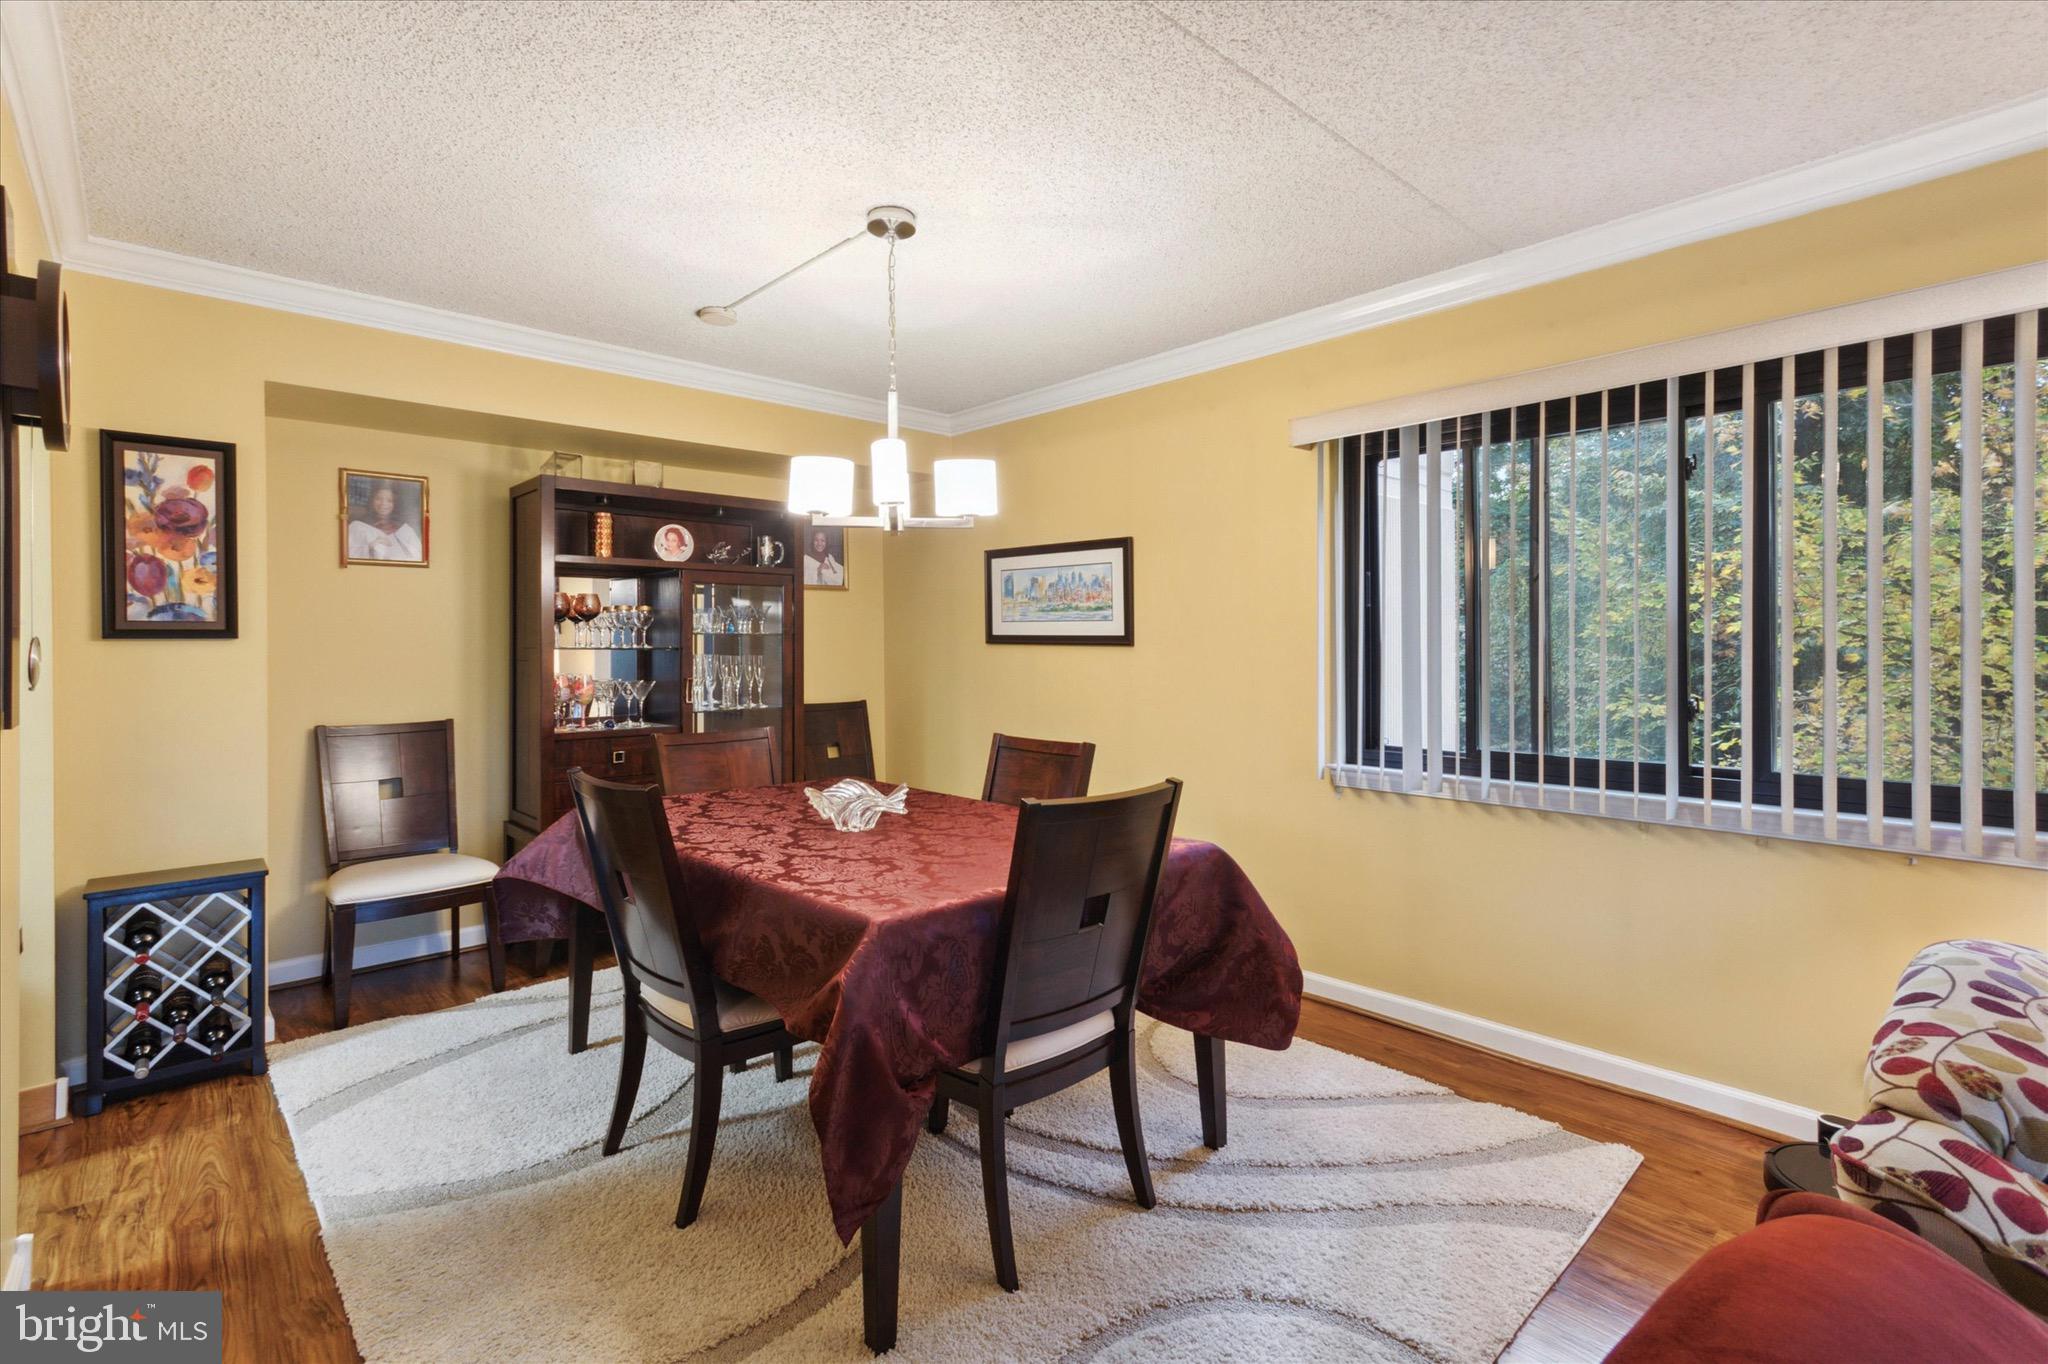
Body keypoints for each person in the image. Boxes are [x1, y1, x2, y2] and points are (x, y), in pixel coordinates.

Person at [347, 482, 423, 561]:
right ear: (372, 501)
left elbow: (419, 558)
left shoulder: (406, 530)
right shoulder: (357, 527)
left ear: (395, 504)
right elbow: (347, 554)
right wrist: (370, 546)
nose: (383, 504)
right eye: (378, 499)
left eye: (389, 500)